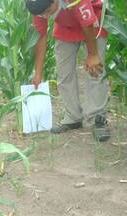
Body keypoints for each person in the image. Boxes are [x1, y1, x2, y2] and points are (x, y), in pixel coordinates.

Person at [25, 0, 110, 141]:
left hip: (92, 21)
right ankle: (73, 117)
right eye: (41, 15)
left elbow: (87, 22)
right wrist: (38, 73)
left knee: (95, 70)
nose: (45, 16)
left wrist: (93, 54)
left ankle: (96, 120)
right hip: (65, 25)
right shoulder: (38, 7)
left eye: (47, 11)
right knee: (64, 72)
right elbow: (40, 36)